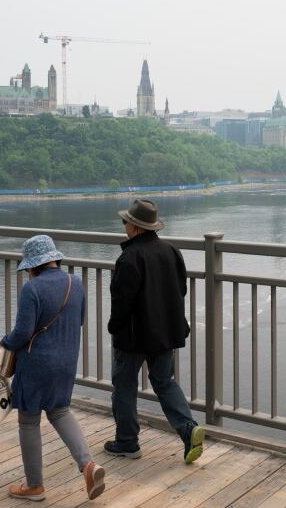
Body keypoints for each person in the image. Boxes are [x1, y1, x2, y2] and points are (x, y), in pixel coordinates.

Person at [0, 234, 105, 501]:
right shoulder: (76, 282)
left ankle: (34, 486)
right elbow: (79, 321)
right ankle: (88, 465)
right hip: (66, 361)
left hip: (36, 363)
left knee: (29, 420)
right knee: (60, 411)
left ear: (33, 266)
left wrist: (4, 342)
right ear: (55, 259)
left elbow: (22, 333)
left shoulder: (32, 289)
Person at [105, 199, 205, 464]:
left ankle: (127, 442)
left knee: (124, 386)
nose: (123, 224)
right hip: (165, 333)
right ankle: (188, 429)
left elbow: (122, 302)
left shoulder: (129, 257)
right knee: (164, 381)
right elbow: (180, 291)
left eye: (125, 221)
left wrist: (114, 327)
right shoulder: (172, 251)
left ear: (136, 228)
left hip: (133, 337)